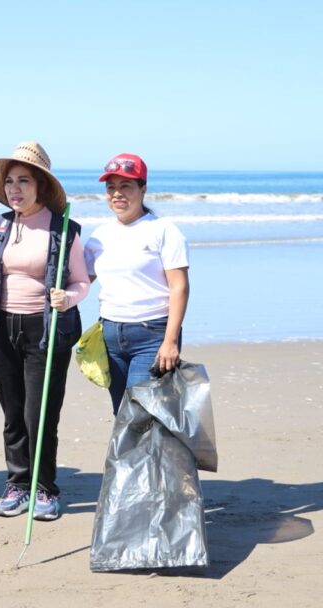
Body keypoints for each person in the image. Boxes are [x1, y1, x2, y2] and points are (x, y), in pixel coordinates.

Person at [0, 142, 90, 521]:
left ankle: (45, 489)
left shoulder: (63, 228)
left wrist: (67, 298)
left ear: (40, 185)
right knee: (12, 413)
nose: (15, 189)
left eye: (23, 181)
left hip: (46, 328)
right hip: (1, 329)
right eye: (10, 182)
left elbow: (81, 281)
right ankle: (18, 484)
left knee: (39, 414)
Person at [83, 152, 190, 414]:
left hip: (151, 335)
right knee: (121, 414)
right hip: (109, 335)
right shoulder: (100, 236)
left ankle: (143, 457)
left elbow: (180, 287)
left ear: (143, 189)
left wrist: (170, 342)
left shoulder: (163, 230)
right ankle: (127, 457)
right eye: (111, 188)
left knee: (141, 414)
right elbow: (80, 281)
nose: (117, 194)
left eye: (125, 186)